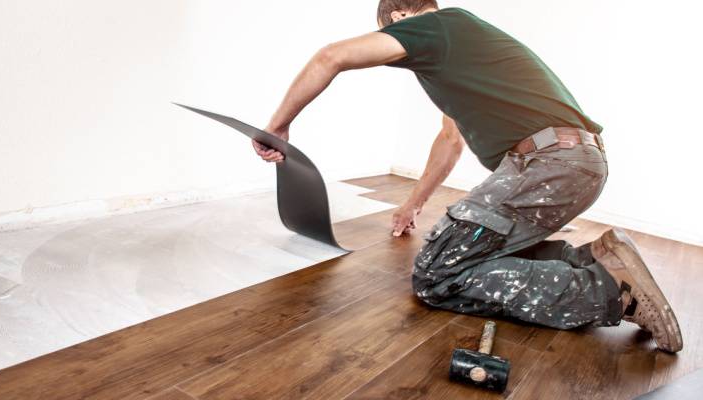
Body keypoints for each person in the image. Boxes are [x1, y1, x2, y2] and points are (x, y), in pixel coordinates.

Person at [253, 0, 683, 352]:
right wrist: (413, 202)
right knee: (471, 251)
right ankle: (591, 260)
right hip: (568, 161)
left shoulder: (438, 26)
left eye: (389, 31)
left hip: (550, 164)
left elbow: (332, 56)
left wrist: (278, 126)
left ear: (399, 18)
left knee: (437, 276)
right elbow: (449, 141)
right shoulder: (456, 52)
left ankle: (611, 293)